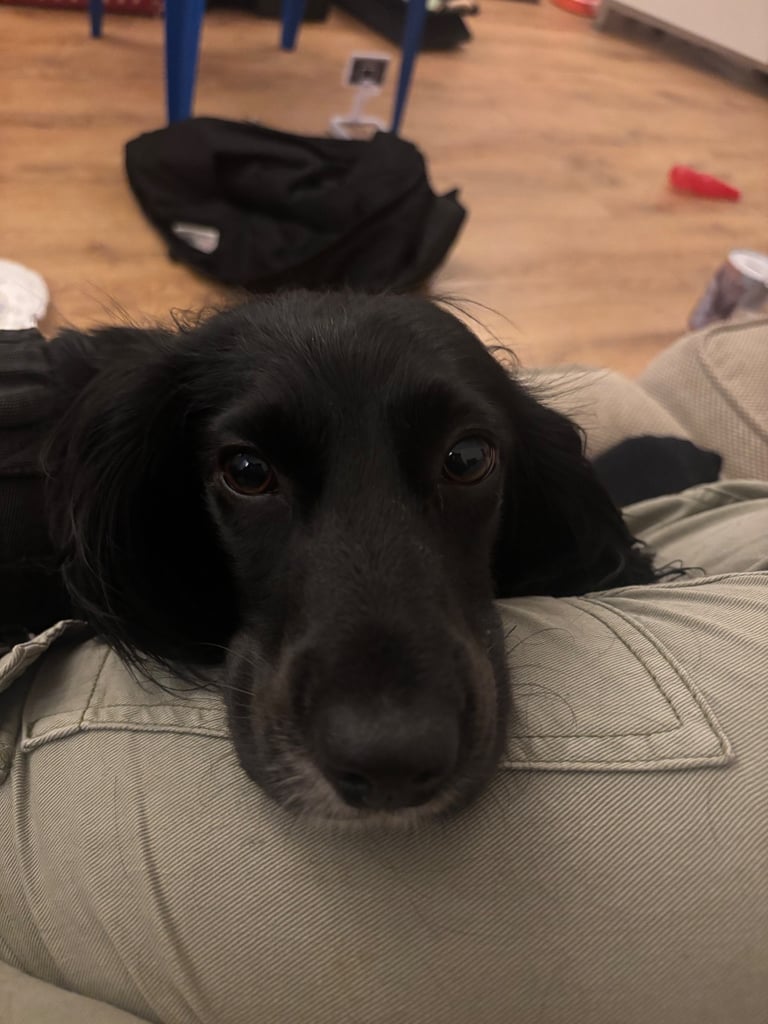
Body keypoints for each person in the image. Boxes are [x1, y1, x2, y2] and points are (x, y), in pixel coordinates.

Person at [0, 265, 766, 1024]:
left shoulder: (539, 483)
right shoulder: (122, 490)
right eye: (248, 474)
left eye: (464, 463)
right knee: (652, 448)